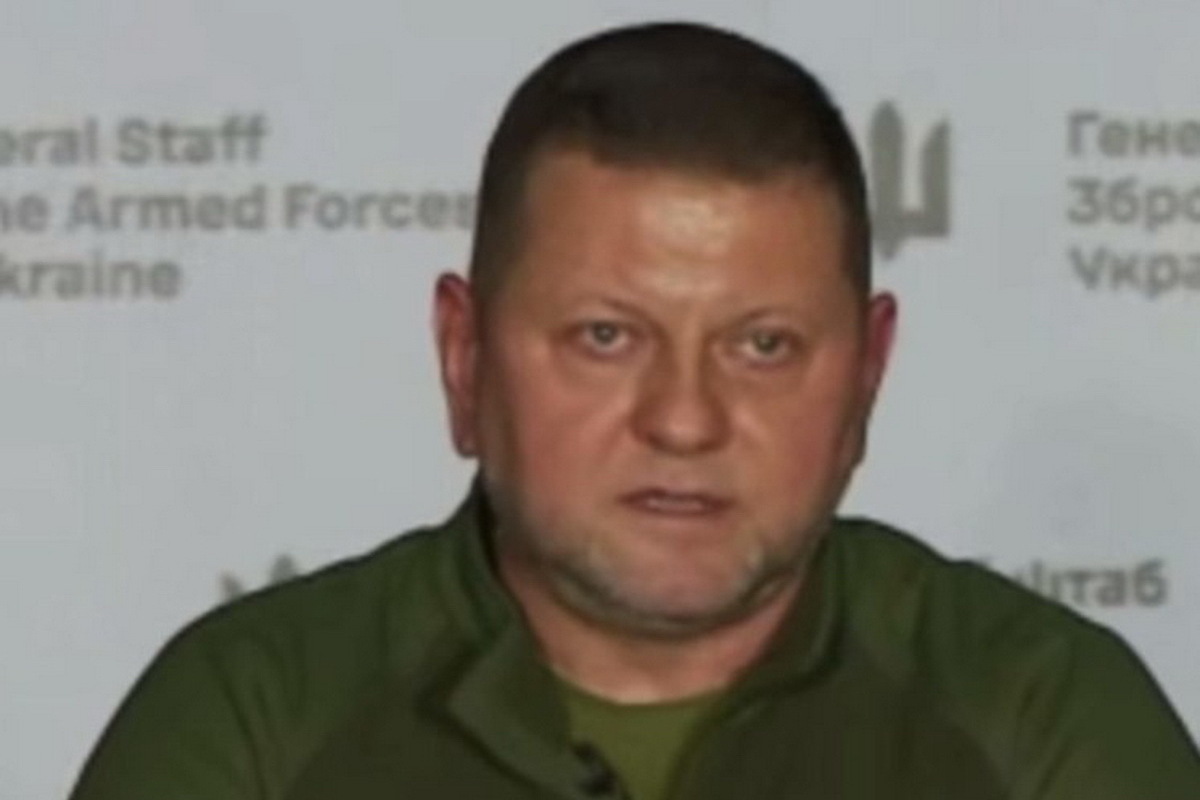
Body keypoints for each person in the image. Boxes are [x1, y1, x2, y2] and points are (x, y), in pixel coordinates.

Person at [70, 21, 1200, 800]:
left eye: (763, 346)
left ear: (867, 376)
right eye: (606, 337)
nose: (685, 420)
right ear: (465, 357)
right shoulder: (255, 719)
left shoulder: (1043, 719)